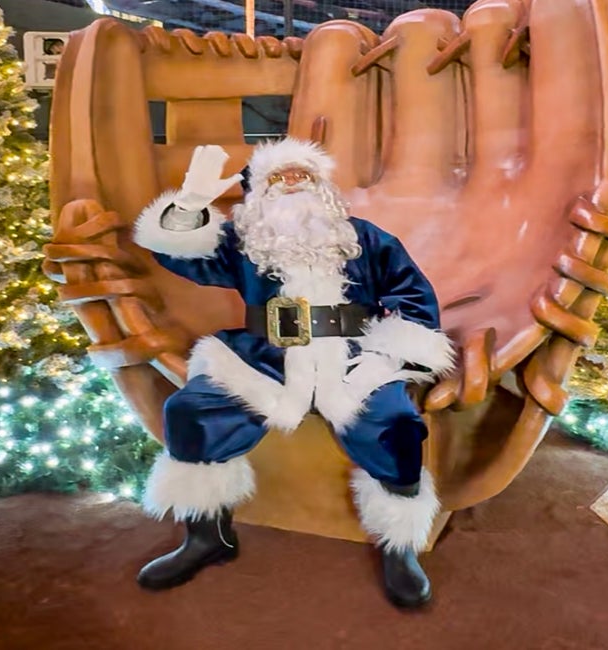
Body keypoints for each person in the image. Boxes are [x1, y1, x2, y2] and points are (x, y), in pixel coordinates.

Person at [132, 138, 455, 609]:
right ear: (258, 190)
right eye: (277, 177)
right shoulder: (245, 243)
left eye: (301, 175)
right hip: (265, 355)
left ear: (321, 186)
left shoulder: (365, 238)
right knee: (191, 410)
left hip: (354, 357)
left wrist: (383, 357)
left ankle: (399, 547)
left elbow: (413, 296)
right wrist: (190, 204)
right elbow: (180, 255)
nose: (290, 183)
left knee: (397, 427)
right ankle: (206, 537)